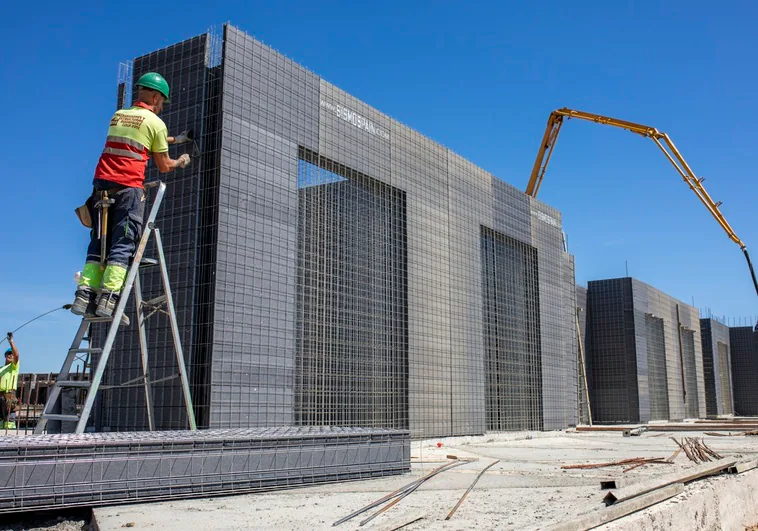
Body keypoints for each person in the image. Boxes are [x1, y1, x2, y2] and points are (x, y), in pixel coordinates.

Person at [71, 72, 192, 319]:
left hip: (101, 188)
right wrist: (180, 160)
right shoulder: (156, 123)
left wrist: (176, 139)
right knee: (123, 243)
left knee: (98, 242)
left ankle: (84, 295)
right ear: (157, 96)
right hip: (128, 189)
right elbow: (163, 165)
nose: (161, 107)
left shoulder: (119, 116)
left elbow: (140, 136)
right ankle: (109, 298)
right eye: (162, 102)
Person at [0, 333, 20, 430]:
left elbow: (17, 355)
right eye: (9, 354)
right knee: (1, 419)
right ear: (5, 356)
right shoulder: (1, 369)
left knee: (9, 419)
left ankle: (10, 435)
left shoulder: (14, 367)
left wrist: (11, 342)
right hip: (0, 395)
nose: (11, 355)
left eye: (11, 354)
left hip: (9, 394)